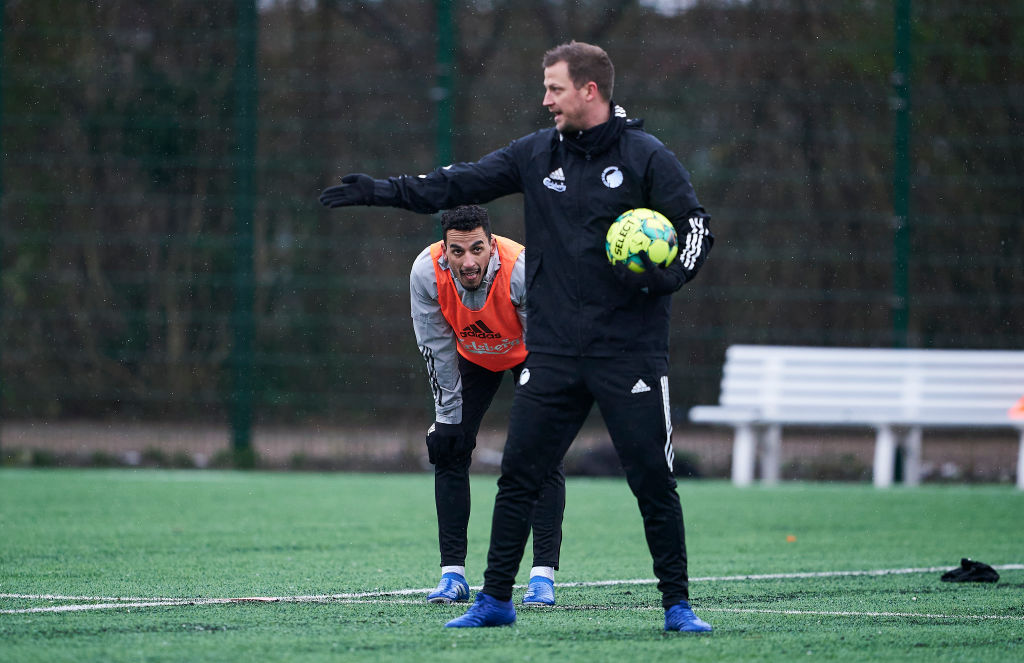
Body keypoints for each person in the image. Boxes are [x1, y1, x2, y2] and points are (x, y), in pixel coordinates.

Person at [320, 41, 714, 633]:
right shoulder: (535, 155)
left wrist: (673, 274)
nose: (545, 99)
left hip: (627, 350)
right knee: (520, 473)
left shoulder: (645, 156)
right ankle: (496, 600)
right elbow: (455, 184)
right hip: (552, 350)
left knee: (652, 478)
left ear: (590, 90)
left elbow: (696, 228)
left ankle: (677, 605)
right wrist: (383, 190)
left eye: (555, 87)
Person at [410, 204, 565, 606]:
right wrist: (447, 417)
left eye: (476, 249)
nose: (468, 261)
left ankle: (542, 577)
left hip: (532, 353)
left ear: (491, 245)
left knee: (539, 452)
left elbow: (548, 346)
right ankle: (452, 576)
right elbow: (435, 346)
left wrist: (542, 406)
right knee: (449, 446)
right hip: (473, 356)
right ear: (444, 250)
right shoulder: (426, 272)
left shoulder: (521, 269)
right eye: (457, 252)